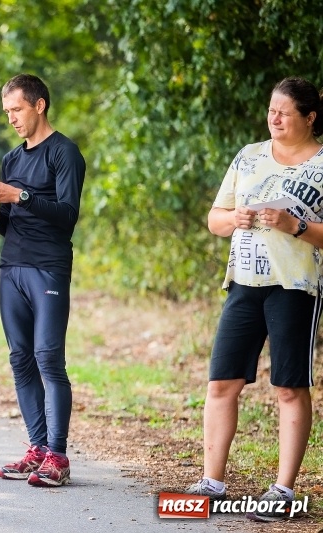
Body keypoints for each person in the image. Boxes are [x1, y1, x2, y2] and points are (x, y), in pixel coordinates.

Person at [184, 77, 323, 522]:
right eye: (271, 109)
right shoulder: (249, 155)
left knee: (287, 386)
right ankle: (212, 483)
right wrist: (234, 217)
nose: (274, 117)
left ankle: (283, 491)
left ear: (310, 117)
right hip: (243, 283)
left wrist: (294, 225)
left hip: (295, 286)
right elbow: (214, 219)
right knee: (221, 382)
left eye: (284, 112)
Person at [0, 74, 85, 487]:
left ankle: (58, 455)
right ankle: (37, 448)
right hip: (12, 268)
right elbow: (14, 224)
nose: (12, 119)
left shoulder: (65, 153)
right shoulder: (12, 159)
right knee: (20, 359)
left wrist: (16, 196)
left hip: (50, 268)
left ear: (39, 105)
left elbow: (66, 216)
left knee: (48, 359)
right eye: (7, 112)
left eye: (17, 110)